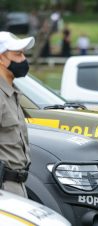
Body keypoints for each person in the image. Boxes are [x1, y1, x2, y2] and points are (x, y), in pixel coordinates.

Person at [0, 31, 34, 197]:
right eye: (18, 54)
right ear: (1, 58)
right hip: (4, 188)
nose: (23, 60)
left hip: (16, 185)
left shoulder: (12, 93)